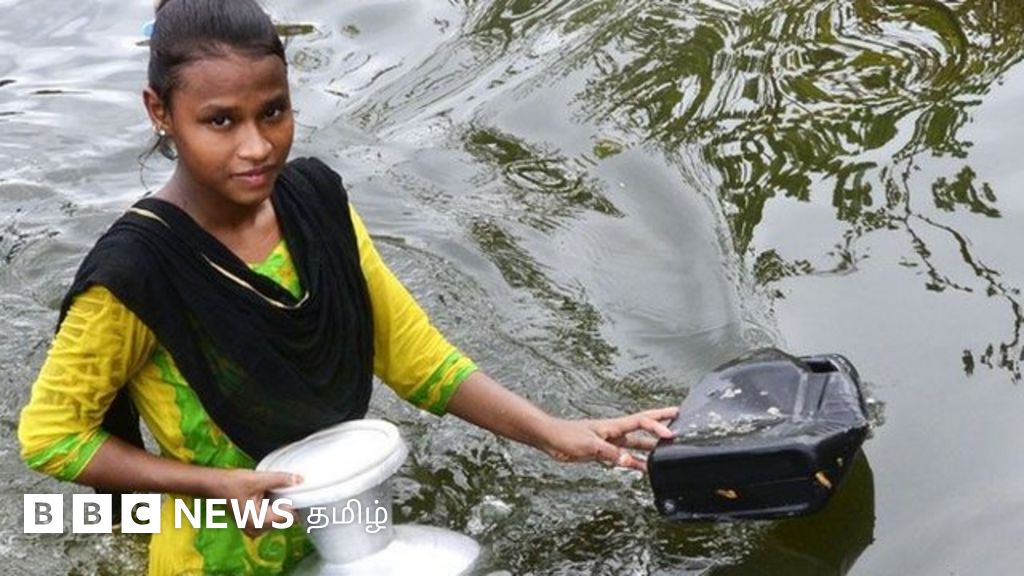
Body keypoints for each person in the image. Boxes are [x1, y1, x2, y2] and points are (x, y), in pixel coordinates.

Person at [17, 0, 678, 574]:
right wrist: (213, 484)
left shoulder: (315, 205)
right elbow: (50, 435)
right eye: (220, 121)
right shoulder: (137, 274)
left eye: (273, 111)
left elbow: (414, 358)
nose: (257, 146)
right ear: (160, 112)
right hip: (216, 556)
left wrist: (550, 432)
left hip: (352, 528)